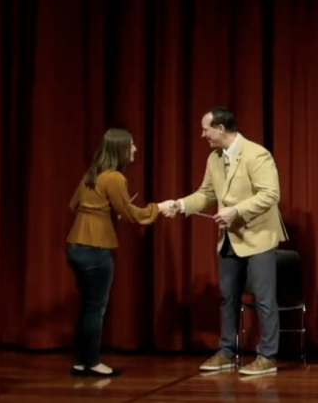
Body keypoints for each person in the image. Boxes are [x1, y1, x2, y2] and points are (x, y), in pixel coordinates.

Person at [160, 107, 288, 376]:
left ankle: (267, 356)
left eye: (205, 128)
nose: (202, 134)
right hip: (229, 238)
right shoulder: (214, 158)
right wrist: (180, 204)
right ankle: (227, 351)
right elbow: (206, 193)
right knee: (227, 297)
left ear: (220, 128)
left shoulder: (256, 154)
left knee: (264, 299)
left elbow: (270, 194)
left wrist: (236, 210)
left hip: (258, 236)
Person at [66, 128, 170, 377]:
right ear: (120, 149)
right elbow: (134, 214)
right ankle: (92, 362)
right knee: (95, 308)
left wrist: (105, 209)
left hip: (75, 246)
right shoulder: (114, 178)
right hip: (96, 248)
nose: (135, 149)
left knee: (87, 307)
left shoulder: (93, 173)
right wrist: (158, 208)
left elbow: (74, 204)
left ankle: (81, 361)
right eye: (131, 145)